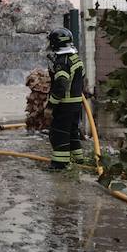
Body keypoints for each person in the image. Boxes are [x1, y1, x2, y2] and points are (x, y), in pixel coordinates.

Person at [46, 27, 86, 170]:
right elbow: (80, 79)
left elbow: (61, 86)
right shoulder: (76, 58)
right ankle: (78, 159)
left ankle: (59, 164)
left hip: (65, 105)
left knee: (59, 133)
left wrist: (51, 105)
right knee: (72, 132)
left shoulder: (62, 62)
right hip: (76, 104)